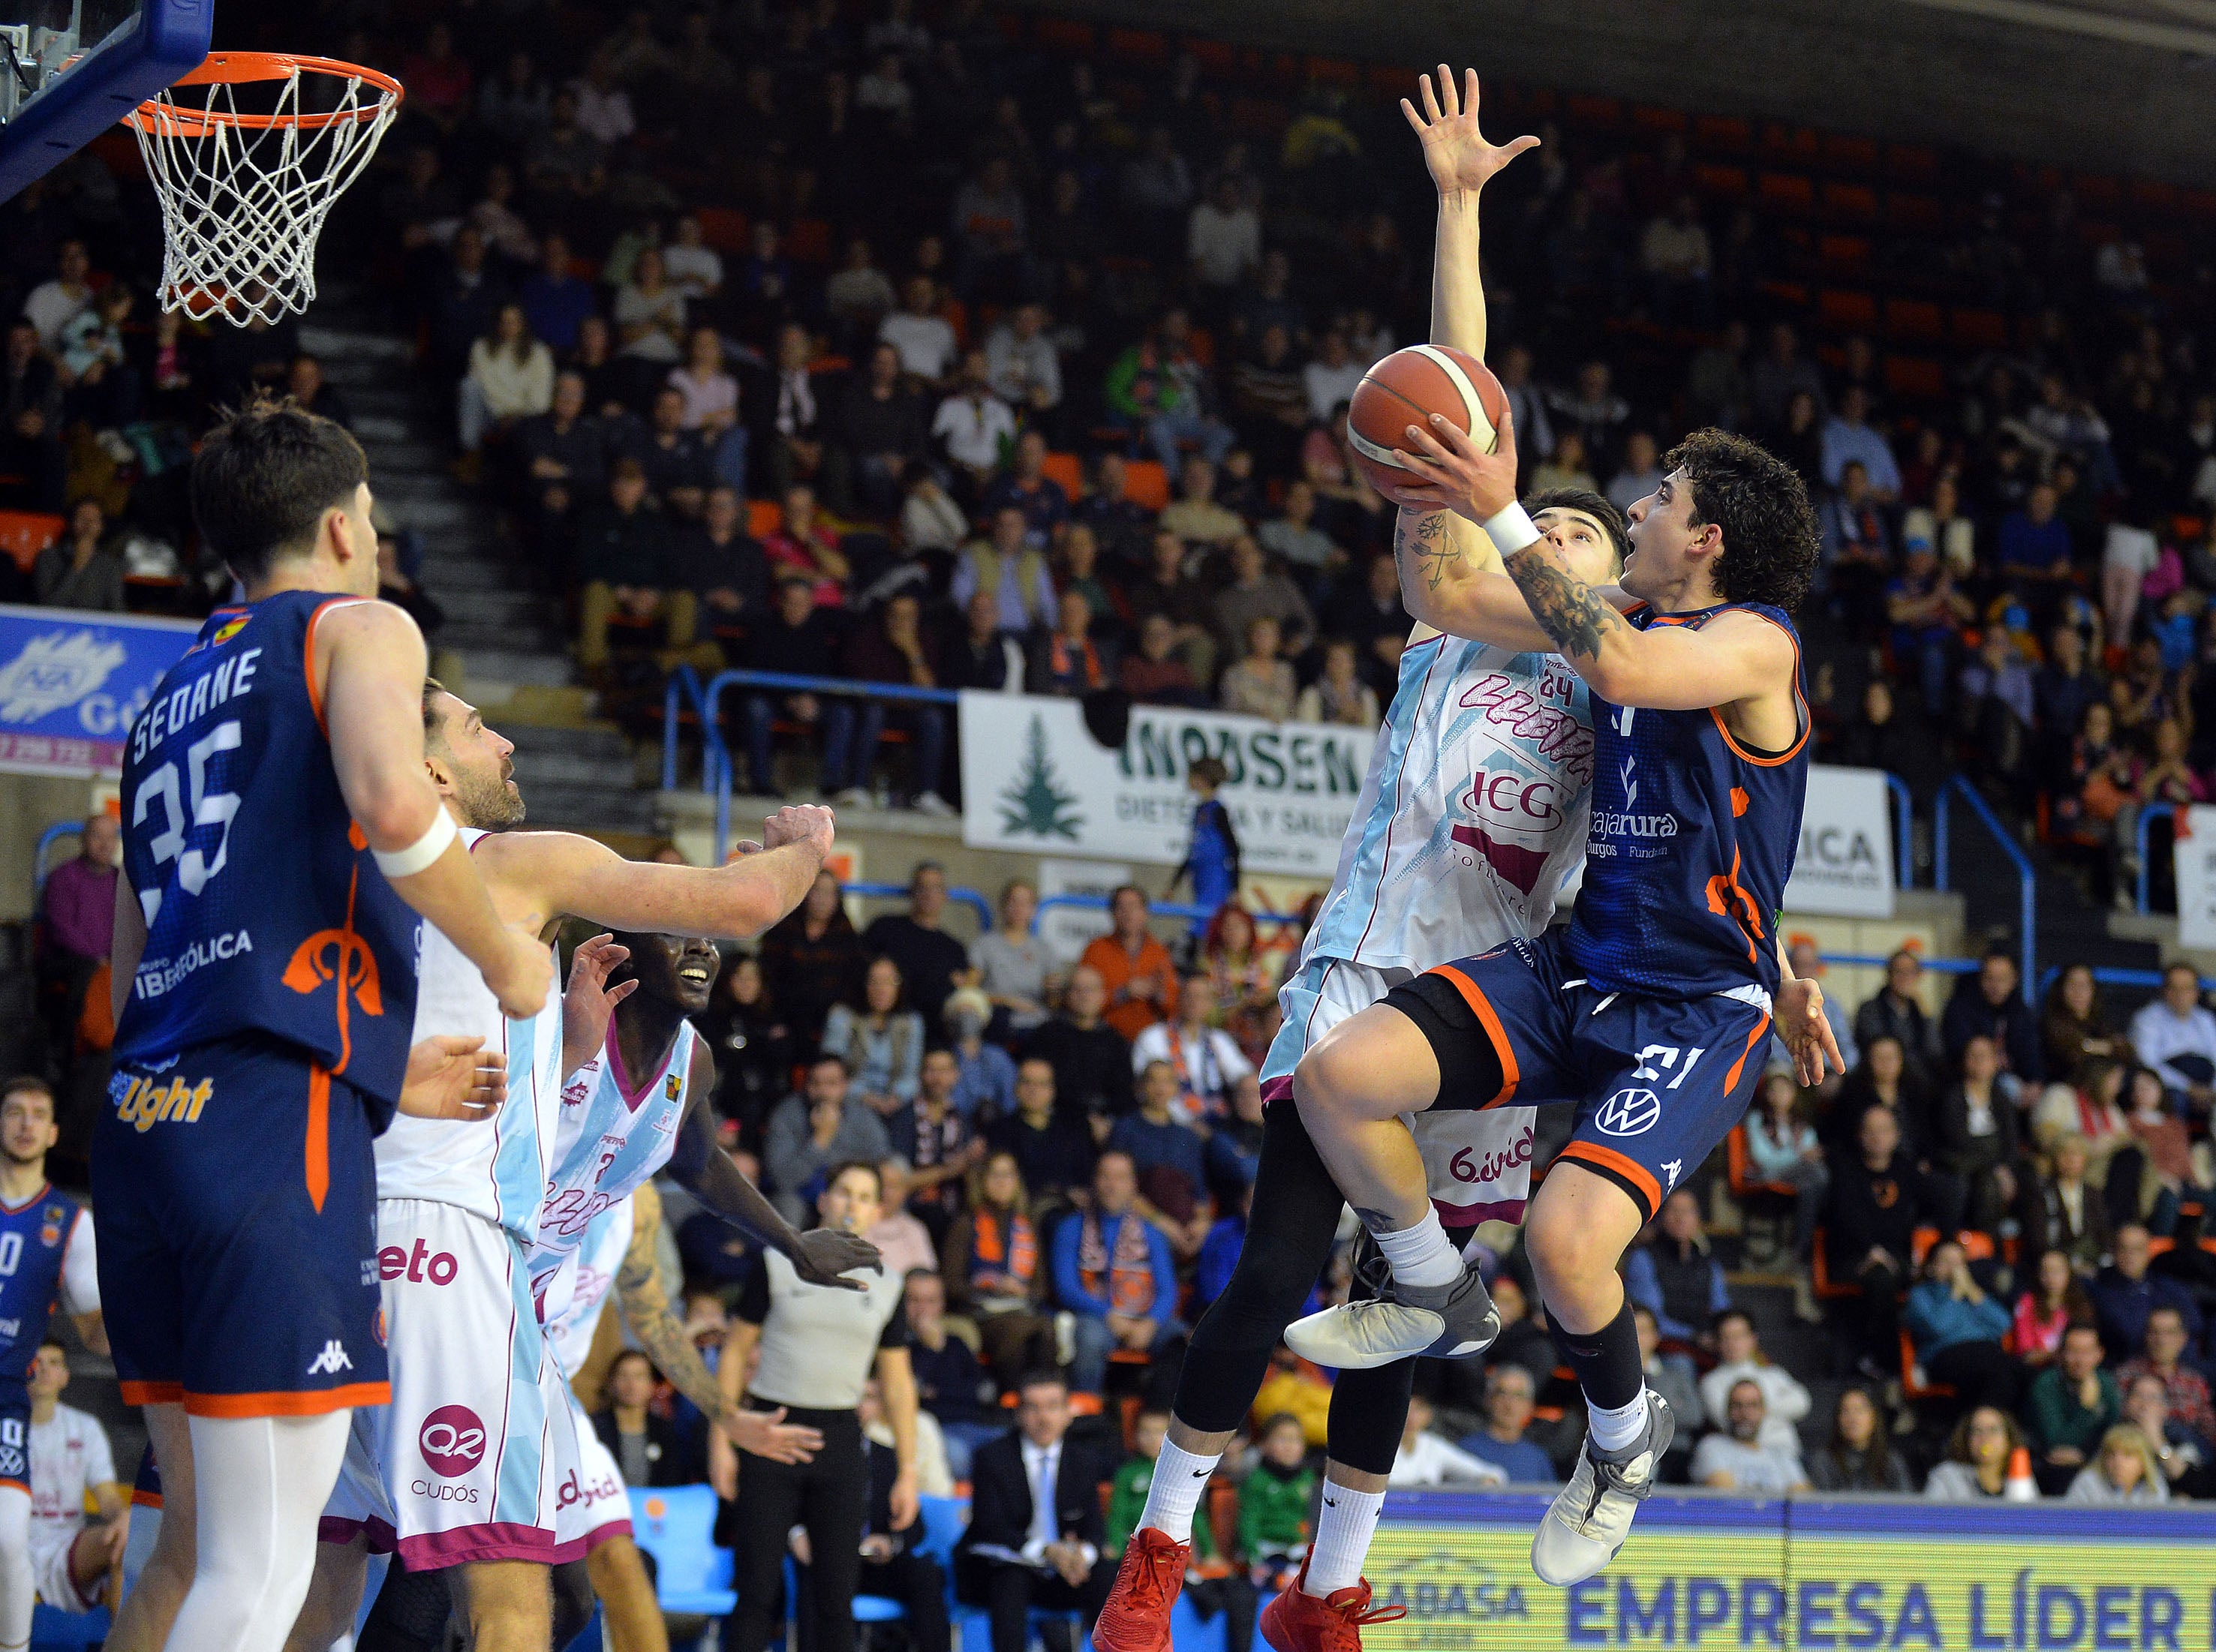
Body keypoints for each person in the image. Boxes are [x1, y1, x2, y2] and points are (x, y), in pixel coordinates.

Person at [1096, 74, 1733, 1650]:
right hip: (1369, 977)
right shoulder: (1452, 614)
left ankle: (1327, 1594)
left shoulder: (1616, 676)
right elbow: (1459, 407)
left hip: (1486, 1007)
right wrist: (1456, 209)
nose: (1571, 540)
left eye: (1588, 533)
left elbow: (1699, 836)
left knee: (1391, 1328)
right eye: (1558, 526)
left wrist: (1768, 971)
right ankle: (1161, 1554)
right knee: (1275, 1273)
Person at [1282, 222, 1830, 1605]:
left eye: (1653, 497)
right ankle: (1420, 1279)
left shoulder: (1750, 641)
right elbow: (1443, 585)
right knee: (1338, 1084)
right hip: (1578, 965)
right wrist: (1445, 464)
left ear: (1703, 538)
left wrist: (1514, 501)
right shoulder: (1613, 619)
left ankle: (1618, 1439)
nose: (1635, 507)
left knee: (1569, 1240)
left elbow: (1635, 671)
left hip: (1692, 1011)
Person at [99, 404, 547, 1652]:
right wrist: (508, 953)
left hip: (148, 1118)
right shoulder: (362, 624)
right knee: (259, 1567)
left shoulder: (167, 690)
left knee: (202, 1555)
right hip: (262, 1124)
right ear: (346, 527)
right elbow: (394, 794)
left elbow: (136, 951)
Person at [299, 686, 871, 1652]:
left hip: (339, 1232)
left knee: (329, 1566)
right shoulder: (519, 870)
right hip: (457, 1255)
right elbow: (746, 903)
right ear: (430, 769)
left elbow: (687, 1153)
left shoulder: (343, 879)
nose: (507, 739)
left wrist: (555, 1050)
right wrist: (802, 844)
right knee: (506, 1585)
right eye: (481, 730)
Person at [712, 1162, 920, 1652]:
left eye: (865, 1196)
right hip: (768, 1430)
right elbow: (736, 1352)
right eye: (844, 1192)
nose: (853, 1204)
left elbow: (897, 1384)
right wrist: (722, 1441)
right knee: (756, 1592)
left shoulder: (888, 1284)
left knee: (835, 1598)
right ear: (823, 1200)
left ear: (877, 1211)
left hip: (840, 1440)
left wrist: (908, 1470)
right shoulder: (775, 1263)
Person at [0, 1080, 106, 1650]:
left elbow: (93, 1329)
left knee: (7, 1540)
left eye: (38, 1114)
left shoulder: (70, 1221)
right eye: (14, 1112)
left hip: (6, 1396)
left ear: (53, 1133)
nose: (25, 1123)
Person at [955, 1371, 1114, 1652]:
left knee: (1106, 1575)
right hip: (1006, 1568)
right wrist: (1047, 1551)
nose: (1044, 1418)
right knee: (1010, 1579)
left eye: (1053, 1406)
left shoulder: (1084, 1461)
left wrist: (1082, 1556)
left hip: (1065, 1574)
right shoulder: (992, 1458)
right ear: (1018, 1414)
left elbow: (1094, 1529)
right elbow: (990, 1527)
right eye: (1033, 1408)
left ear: (1068, 1413)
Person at [1107, 1410, 1250, 1652]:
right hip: (1141, 1558)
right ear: (1135, 1436)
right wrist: (1116, 1548)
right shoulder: (1127, 1474)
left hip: (1179, 1557)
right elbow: (1117, 1517)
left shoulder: (1184, 1474)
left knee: (1236, 1591)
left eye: (1159, 1432)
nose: (1153, 1438)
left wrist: (1211, 1551)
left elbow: (1197, 1516)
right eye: (1146, 1432)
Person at [1054, 1152, 1183, 1394]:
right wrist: (1110, 1316)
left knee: (1179, 1338)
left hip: (1145, 1319)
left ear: (1133, 1185)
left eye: (1121, 1178)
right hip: (1096, 1318)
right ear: (1094, 1181)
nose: (1112, 1186)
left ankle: (1159, 1418)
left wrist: (1150, 1324)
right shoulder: (1070, 1227)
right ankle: (1087, 1416)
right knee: (1089, 1338)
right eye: (1105, 1177)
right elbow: (1066, 1288)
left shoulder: (1152, 1234)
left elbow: (1168, 1291)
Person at [1824, 1104, 1936, 1380]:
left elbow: (1931, 1207)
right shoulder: (1845, 1169)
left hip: (1896, 1256)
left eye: (1884, 1131)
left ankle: (1921, 1361)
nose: (1877, 1137)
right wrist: (1868, 1250)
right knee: (1881, 1279)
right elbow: (1841, 1218)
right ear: (1860, 1136)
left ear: (1896, 1136)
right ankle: (1884, 1360)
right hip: (1852, 1257)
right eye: (1870, 1131)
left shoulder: (1906, 1170)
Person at [23, 1340, 126, 1618]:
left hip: (66, 1545)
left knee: (124, 1537)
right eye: (37, 1362)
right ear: (22, 1370)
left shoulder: (85, 1427)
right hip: (10, 1543)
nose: (44, 1370)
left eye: (54, 1362)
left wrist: (122, 1517)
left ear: (66, 1376)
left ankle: (116, 1642)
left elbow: (108, 1497)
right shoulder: (6, 1424)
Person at [941, 1151, 1059, 1390]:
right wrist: (991, 1285)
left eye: (1009, 1175)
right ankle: (1010, 1401)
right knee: (1014, 1331)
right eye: (995, 1175)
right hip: (980, 1311)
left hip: (1020, 1307)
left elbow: (1040, 1286)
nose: (1003, 1182)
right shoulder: (965, 1225)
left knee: (1047, 1329)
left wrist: (1021, 1291)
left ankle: (1046, 1400)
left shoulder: (1028, 1227)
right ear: (982, 1181)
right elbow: (951, 1284)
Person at [765, 1056, 895, 1226]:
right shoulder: (787, 1114)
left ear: (845, 1086)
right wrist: (821, 1139)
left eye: (831, 1084)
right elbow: (783, 1180)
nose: (823, 1092)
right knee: (788, 1206)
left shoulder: (862, 1115)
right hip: (802, 1195)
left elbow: (882, 1161)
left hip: (848, 1192)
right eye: (815, 1084)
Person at [34, 810, 118, 1074]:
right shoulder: (62, 878)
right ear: (83, 841)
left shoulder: (123, 882)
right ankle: (67, 1055)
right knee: (87, 972)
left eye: (111, 837)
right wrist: (99, 959)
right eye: (97, 836)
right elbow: (62, 931)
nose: (104, 844)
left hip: (110, 964)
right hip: (66, 963)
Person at [1905, 1239, 2021, 1413]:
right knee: (2000, 1375)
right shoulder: (1920, 1295)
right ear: (1931, 1267)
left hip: (1987, 1352)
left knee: (2028, 1375)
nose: (1955, 1268)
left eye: (1959, 1263)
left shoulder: (1974, 1294)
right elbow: (1938, 1328)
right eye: (1946, 1262)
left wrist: (1974, 1293)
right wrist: (1955, 1294)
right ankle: (1981, 1428)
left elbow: (2004, 1324)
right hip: (1946, 1355)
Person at [1130, 973, 1252, 1128]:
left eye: (1202, 997)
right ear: (1178, 999)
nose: (1195, 1002)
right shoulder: (1153, 1037)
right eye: (1190, 996)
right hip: (1168, 1125)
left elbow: (1244, 1075)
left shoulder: (1219, 1040)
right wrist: (1189, 1125)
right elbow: (1148, 1090)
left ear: (1211, 1004)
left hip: (1216, 1124)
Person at [862, 864, 972, 1033]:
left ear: (945, 894)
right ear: (912, 891)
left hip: (933, 1032)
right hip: (878, 1026)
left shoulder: (953, 949)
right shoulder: (884, 928)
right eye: (922, 887)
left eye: (935, 888)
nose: (928, 894)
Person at [1025, 968, 1135, 1126]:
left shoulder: (1116, 1042)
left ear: (1102, 996)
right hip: (1055, 1121)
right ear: (1067, 995)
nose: (1085, 996)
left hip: (1101, 1123)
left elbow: (1123, 1094)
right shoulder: (1047, 1035)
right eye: (1077, 989)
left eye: (1091, 990)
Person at [1697, 1309, 1810, 1459]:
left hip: (1789, 1454)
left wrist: (1755, 1410)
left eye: (1739, 1336)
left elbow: (1803, 1403)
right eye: (1726, 1337)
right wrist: (1780, 1418)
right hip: (1741, 1458)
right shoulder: (1711, 1382)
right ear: (1717, 1342)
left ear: (1753, 1339)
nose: (1733, 1343)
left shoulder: (1774, 1373)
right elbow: (1730, 1422)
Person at [824, 957, 927, 1118]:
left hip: (896, 1103)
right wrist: (867, 1098)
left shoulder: (911, 1021)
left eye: (890, 981)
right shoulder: (842, 1016)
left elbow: (912, 1073)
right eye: (874, 981)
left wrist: (895, 1099)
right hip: (849, 1099)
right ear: (863, 984)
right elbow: (830, 1071)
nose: (882, 989)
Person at [2027, 1323, 2123, 1495]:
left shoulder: (2106, 1384)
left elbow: (2114, 1433)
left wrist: (2085, 1455)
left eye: (2086, 1352)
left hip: (2096, 1462)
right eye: (2073, 1352)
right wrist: (2086, 1409)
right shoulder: (2046, 1384)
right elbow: (2057, 1442)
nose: (2079, 1361)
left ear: (2099, 1354)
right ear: (2061, 1354)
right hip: (2051, 1468)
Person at [1081, 888, 1181, 1043]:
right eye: (1122, 907)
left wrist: (1157, 994)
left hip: (1149, 1039)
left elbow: (1174, 1004)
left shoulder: (1159, 953)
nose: (1128, 914)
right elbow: (1081, 998)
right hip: (1102, 1038)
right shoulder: (1096, 950)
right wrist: (1123, 993)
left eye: (1134, 907)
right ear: (1113, 913)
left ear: (1145, 913)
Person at [2093, 1223, 2202, 1363]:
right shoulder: (2100, 1290)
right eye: (2123, 1248)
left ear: (2148, 1252)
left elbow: (2195, 1324)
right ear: (2114, 1252)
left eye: (2137, 1249)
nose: (2130, 1255)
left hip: (2175, 1368)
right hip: (2125, 1367)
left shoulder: (2168, 1287)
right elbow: (2127, 1335)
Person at [593, 1351, 703, 1486]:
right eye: (623, 1376)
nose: (631, 1385)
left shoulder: (667, 1432)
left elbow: (676, 1480)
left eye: (639, 1376)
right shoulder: (592, 1429)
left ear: (652, 1384)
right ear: (612, 1382)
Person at [1239, 1413, 1323, 1587]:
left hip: (1299, 1549)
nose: (1290, 1446)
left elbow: (1315, 1519)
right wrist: (1253, 1557)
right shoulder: (1257, 1481)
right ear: (1264, 1444)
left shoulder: (1308, 1479)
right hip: (1266, 1549)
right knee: (1275, 1580)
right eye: (1282, 1439)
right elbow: (1249, 1521)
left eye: (1296, 1440)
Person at [1690, 1381, 1810, 1493]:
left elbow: (1805, 1501)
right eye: (1738, 1406)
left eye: (1753, 1405)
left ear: (1763, 1411)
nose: (1745, 1414)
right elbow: (1728, 1501)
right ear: (1727, 1411)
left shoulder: (1780, 1454)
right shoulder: (1711, 1446)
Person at [2128, 963, 2216, 1116]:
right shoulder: (2147, 1019)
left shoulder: (2205, 1019)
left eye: (2187, 988)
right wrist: (2189, 1088)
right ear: (2164, 990)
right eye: (2174, 988)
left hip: (2206, 1086)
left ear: (2196, 992)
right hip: (2169, 1087)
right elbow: (2149, 1063)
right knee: (2175, 1099)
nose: (2180, 995)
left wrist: (2211, 1091)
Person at [973, 882, 1053, 1041]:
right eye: (1013, 901)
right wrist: (1007, 1001)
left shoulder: (1044, 950)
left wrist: (1054, 992)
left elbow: (1052, 1000)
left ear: (1033, 910)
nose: (1018, 908)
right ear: (1003, 906)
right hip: (996, 1016)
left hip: (1035, 1019)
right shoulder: (985, 944)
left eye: (1025, 903)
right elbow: (970, 990)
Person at [1456, 1364, 1556, 1484]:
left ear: (1530, 1405)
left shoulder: (1538, 1459)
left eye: (1518, 1395)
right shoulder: (1466, 1451)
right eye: (1502, 1393)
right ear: (1488, 1400)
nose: (1509, 1404)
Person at [1167, 758, 1241, 915]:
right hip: (1199, 878)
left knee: (1208, 919)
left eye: (1193, 776)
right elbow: (1193, 851)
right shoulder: (1200, 810)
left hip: (1215, 879)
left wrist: (1235, 889)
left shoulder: (1218, 811)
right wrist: (1174, 885)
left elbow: (1234, 849)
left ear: (1203, 779)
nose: (1189, 780)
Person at [1805, 1387, 1912, 1493]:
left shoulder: (1891, 1461)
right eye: (1845, 1411)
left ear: (1874, 1417)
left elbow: (1906, 1505)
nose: (1852, 1418)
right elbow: (1819, 1505)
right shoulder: (1823, 1461)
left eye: (1859, 1410)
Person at [1387, 1392, 1502, 1488]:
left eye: (1418, 1410)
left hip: (1425, 1513)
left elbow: (1494, 1474)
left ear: (1429, 1415)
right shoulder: (1380, 1446)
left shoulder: (1433, 1446)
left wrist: (1487, 1483)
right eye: (1405, 1407)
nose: (1411, 1417)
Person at [2013, 1247, 2094, 1372]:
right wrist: (2058, 1354)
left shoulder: (2081, 1305)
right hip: (2038, 1373)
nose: (2051, 1278)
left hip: (2076, 1371)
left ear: (2069, 1273)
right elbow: (2026, 1356)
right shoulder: (2027, 1303)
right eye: (2045, 1272)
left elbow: (2089, 1348)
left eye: (2057, 1271)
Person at [1923, 1407, 2029, 1500]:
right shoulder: (1947, 1476)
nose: (1985, 1438)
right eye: (1977, 1431)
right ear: (1966, 1439)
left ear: (2009, 1438)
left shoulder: (2021, 1476)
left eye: (1993, 1430)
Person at [2067, 1424, 2169, 1503]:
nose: (2118, 1462)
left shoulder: (2154, 1485)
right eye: (2111, 1454)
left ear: (2143, 1462)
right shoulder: (2088, 1483)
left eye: (2128, 1455)